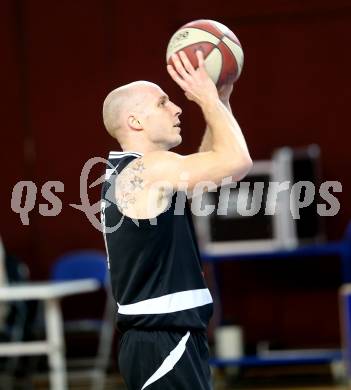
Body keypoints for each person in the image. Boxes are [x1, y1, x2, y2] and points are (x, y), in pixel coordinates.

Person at [100, 50, 252, 390]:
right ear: (135, 122)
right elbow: (237, 162)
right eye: (163, 103)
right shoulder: (147, 168)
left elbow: (210, 166)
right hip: (161, 340)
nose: (177, 108)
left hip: (164, 338)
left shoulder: (136, 169)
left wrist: (221, 103)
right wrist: (208, 99)